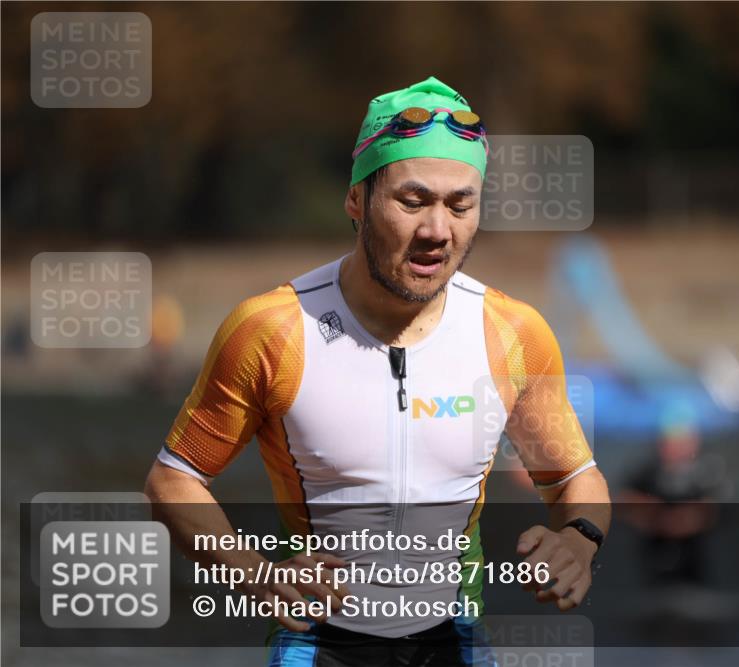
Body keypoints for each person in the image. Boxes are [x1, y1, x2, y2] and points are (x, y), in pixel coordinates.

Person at [144, 76, 611, 667]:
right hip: (317, 643)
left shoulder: (513, 335)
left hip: (453, 642)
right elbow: (172, 480)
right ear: (357, 201)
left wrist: (579, 539)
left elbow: (578, 480)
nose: (437, 230)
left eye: (460, 204)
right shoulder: (271, 331)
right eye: (412, 201)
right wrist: (252, 573)